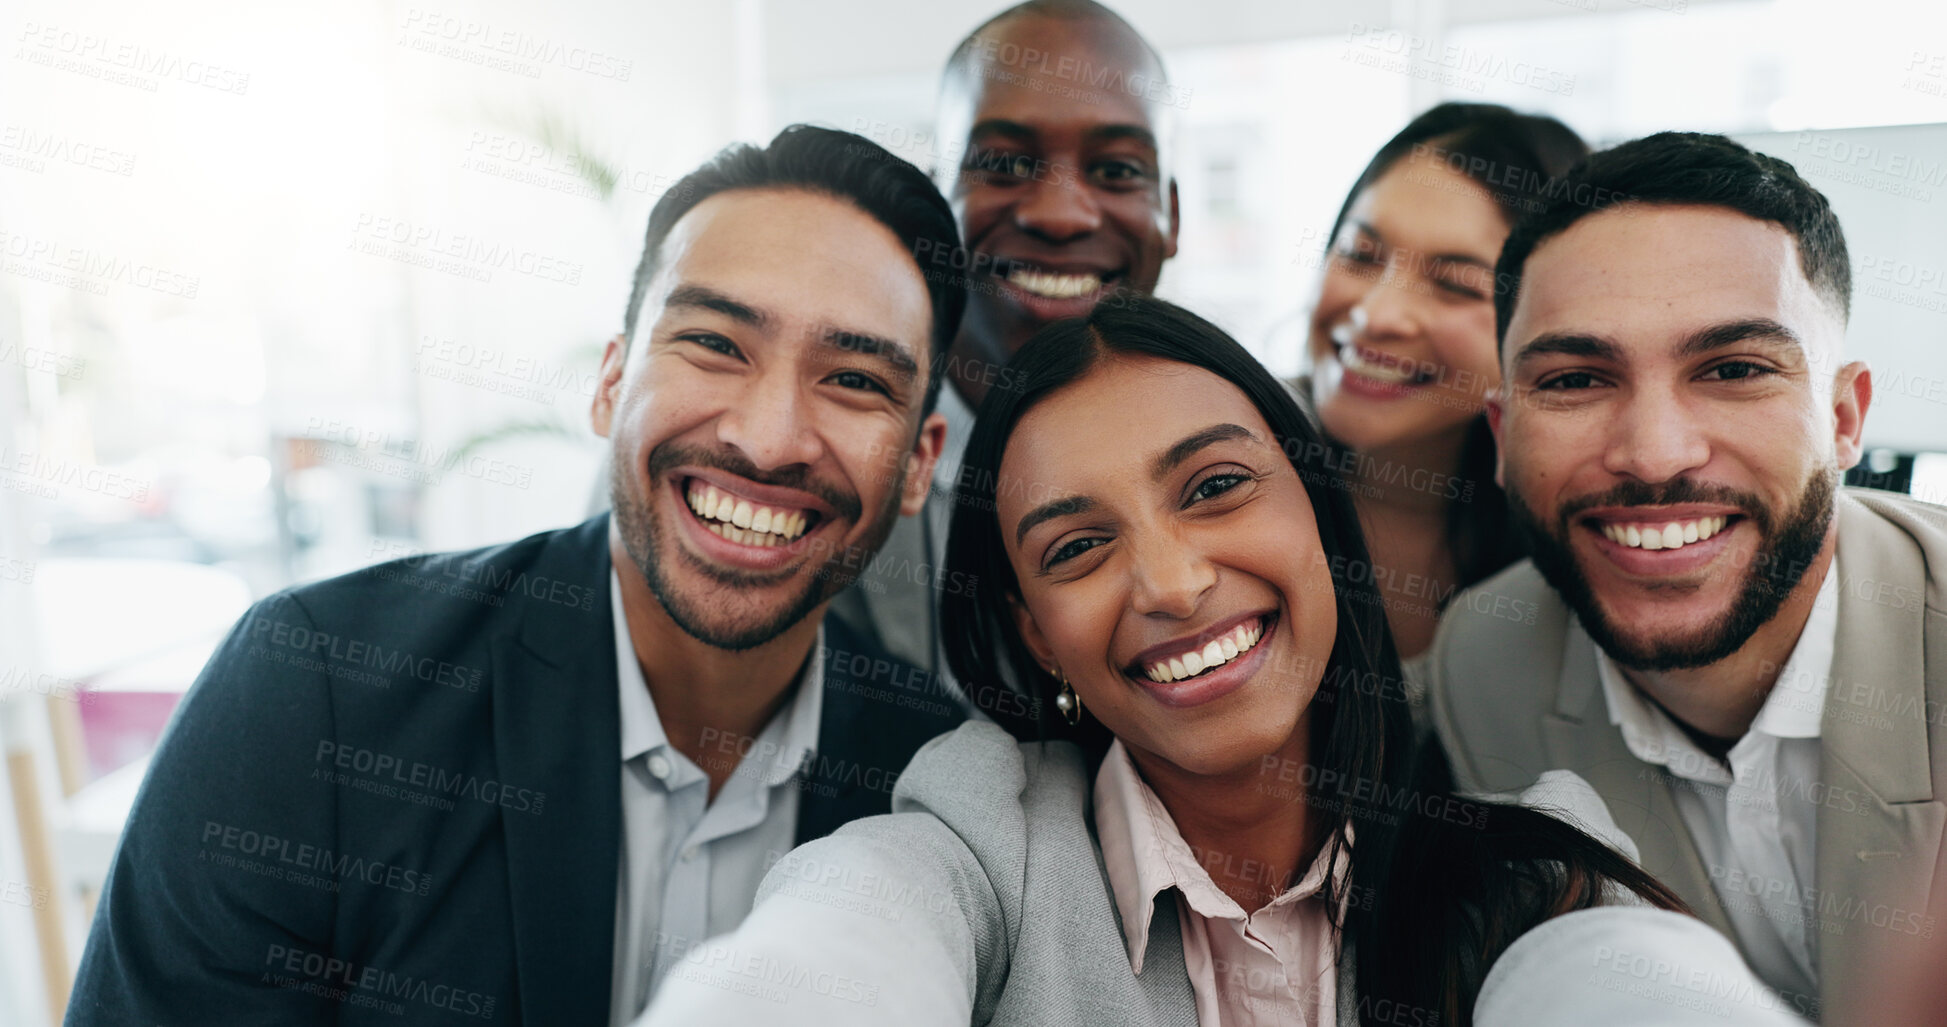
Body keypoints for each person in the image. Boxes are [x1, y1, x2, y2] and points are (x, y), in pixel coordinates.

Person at [637, 296, 1802, 1026]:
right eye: (1079, 545)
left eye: (1216, 488)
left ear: (1316, 515)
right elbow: (833, 954)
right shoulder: (970, 848)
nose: (1174, 583)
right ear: (1036, 629)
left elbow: (1627, 986)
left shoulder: (1525, 874)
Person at [65, 125, 967, 1027]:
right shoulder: (316, 685)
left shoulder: (933, 784)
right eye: (715, 344)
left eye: (853, 378)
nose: (768, 439)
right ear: (611, 382)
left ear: (920, 462)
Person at [1424, 132, 1947, 1024]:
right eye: (1578, 378)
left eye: (1734, 368)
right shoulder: (1482, 658)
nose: (1653, 454)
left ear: (1844, 416)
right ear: (1504, 439)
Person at [831, 0, 1182, 681]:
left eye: (1115, 171)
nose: (1058, 214)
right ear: (936, 204)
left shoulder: (1250, 455)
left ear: (1172, 215)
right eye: (1003, 163)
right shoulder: (824, 450)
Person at [1298, 103, 1588, 664]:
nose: (1377, 314)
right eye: (1360, 254)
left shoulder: (1581, 549)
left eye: (1455, 284)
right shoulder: (1225, 470)